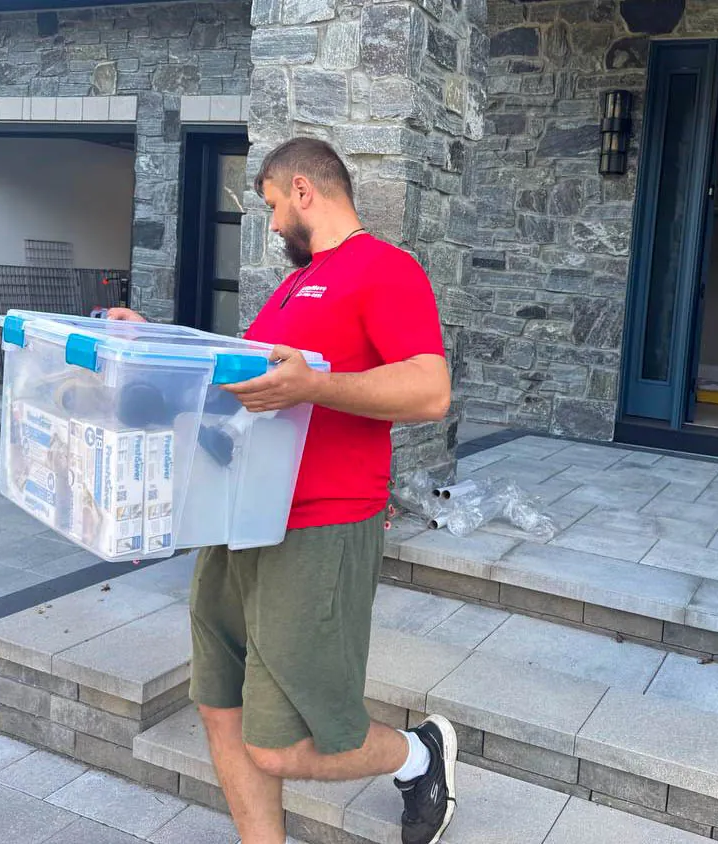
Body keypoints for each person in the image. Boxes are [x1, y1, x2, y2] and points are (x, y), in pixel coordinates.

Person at [109, 138, 457, 844]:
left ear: (303, 190)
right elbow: (242, 379)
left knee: (281, 744)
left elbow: (429, 390)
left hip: (321, 526)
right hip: (242, 518)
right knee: (218, 706)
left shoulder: (385, 269)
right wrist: (157, 344)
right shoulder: (297, 287)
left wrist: (316, 385)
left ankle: (421, 754)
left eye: (269, 206)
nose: (269, 225)